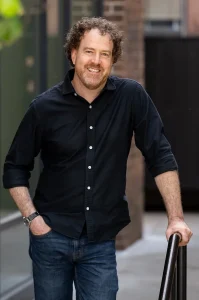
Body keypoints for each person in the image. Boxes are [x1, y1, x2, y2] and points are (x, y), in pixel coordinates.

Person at [3, 17, 192, 300]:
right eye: (89, 51)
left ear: (113, 60)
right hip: (50, 237)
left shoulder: (131, 97)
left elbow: (160, 155)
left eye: (105, 54)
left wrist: (175, 218)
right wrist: (33, 219)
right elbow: (14, 168)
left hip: (100, 242)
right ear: (73, 53)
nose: (96, 61)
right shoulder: (44, 107)